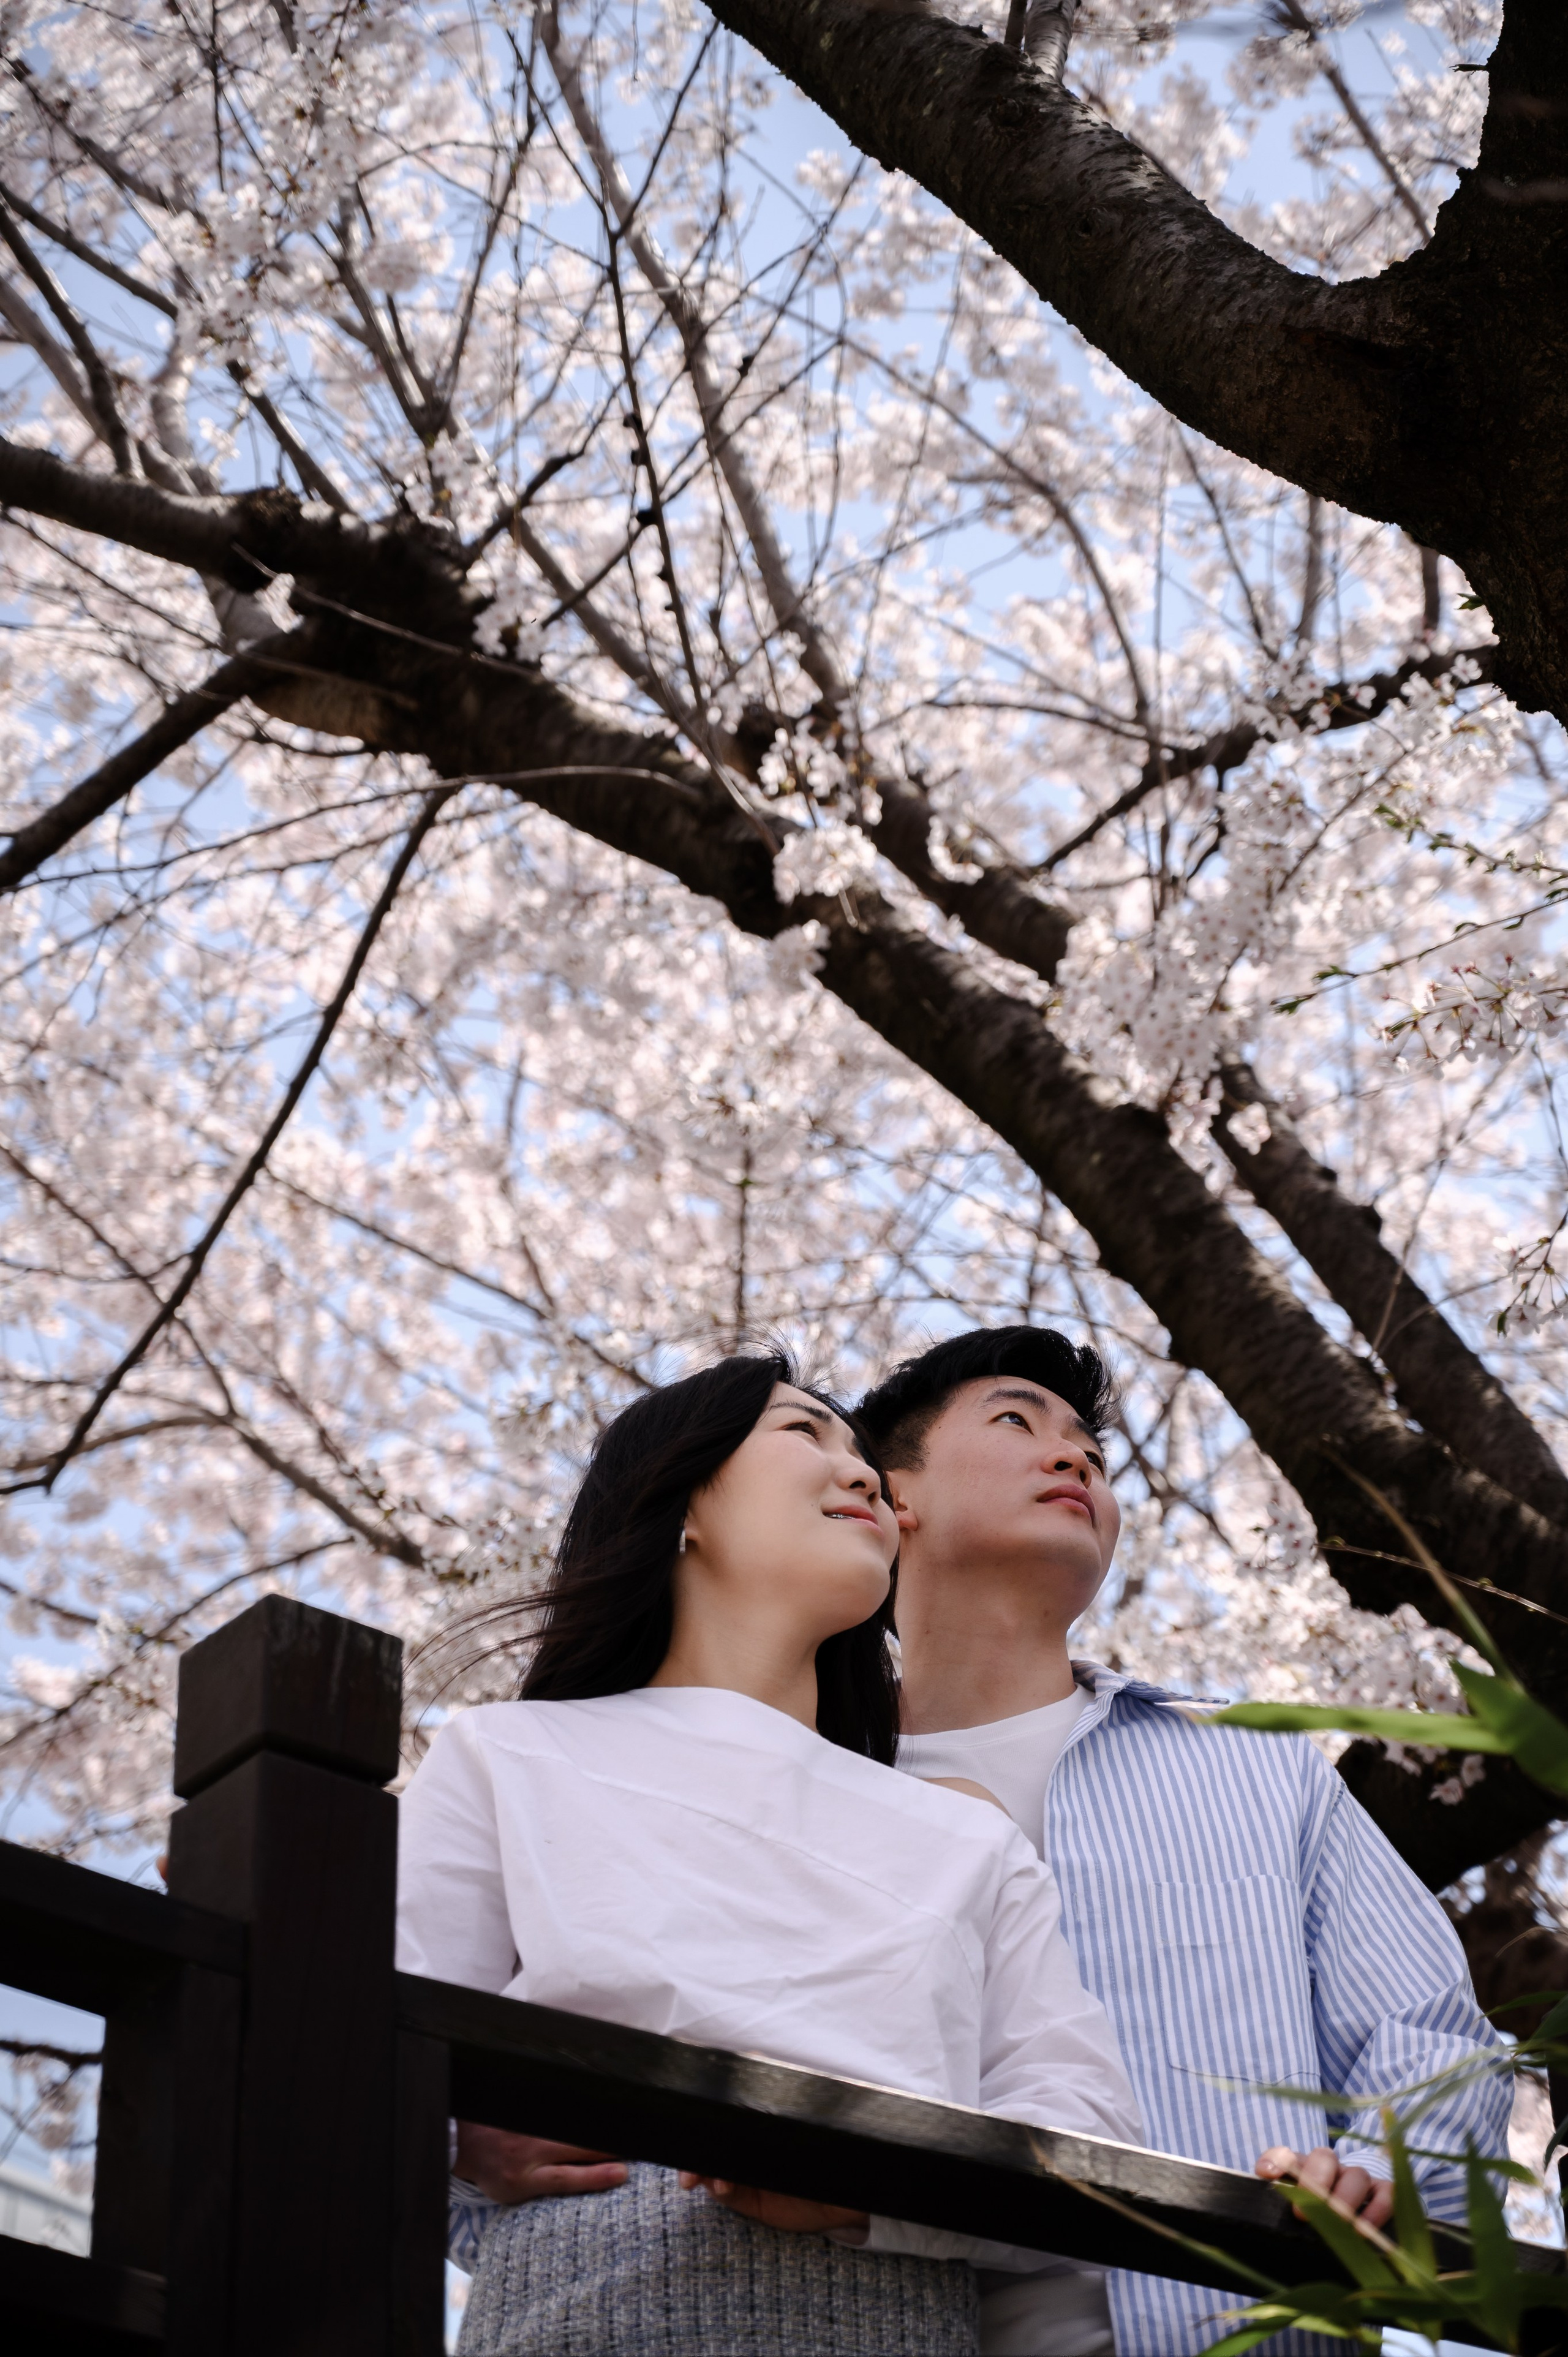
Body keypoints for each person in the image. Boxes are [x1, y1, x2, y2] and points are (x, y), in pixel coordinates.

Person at [396, 1351, 1143, 2357]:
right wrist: (456, 2140)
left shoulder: (969, 1841)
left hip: (897, 2320)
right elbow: (369, 2040)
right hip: (573, 2312)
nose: (863, 1472)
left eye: (865, 1457)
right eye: (804, 1433)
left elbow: (1090, 2132)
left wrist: (867, 2192)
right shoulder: (509, 1757)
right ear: (681, 1500)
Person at [850, 1324, 1513, 2356]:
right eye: (1017, 1422)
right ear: (895, 1500)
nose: (1073, 1457)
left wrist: (1385, 2173)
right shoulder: (807, 1795)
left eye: (1094, 1452)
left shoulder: (1257, 1765)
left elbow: (1427, 2032)